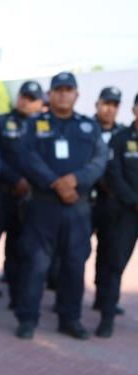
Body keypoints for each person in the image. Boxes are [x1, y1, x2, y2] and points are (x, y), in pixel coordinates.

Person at [15, 72, 108, 340]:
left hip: (78, 208)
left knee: (74, 264)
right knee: (35, 264)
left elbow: (100, 160)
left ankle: (70, 318)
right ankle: (27, 318)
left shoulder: (89, 127)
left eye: (69, 89)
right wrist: (56, 182)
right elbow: (27, 157)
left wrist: (75, 180)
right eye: (59, 89)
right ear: (51, 94)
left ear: (77, 95)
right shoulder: (36, 124)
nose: (64, 94)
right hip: (44, 206)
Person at [0, 81, 43, 305]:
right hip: (1, 193)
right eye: (24, 96)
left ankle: (16, 294)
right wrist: (16, 180)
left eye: (32, 98)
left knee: (19, 246)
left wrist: (29, 182)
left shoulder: (42, 127)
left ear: (39, 103)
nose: (27, 101)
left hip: (27, 198)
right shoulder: (1, 122)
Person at [97, 93, 138, 337]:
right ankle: (107, 317)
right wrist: (134, 200)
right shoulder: (120, 138)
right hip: (126, 212)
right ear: (133, 109)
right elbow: (113, 173)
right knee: (115, 265)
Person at [91, 87, 125, 315]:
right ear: (97, 103)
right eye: (106, 103)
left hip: (111, 203)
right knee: (74, 252)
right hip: (85, 200)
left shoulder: (122, 134)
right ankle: (63, 296)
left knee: (109, 252)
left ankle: (104, 299)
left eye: (114, 105)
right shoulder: (85, 128)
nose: (109, 109)